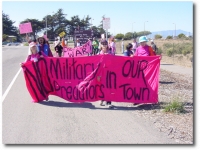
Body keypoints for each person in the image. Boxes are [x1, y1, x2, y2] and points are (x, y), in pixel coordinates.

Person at [98, 39, 114, 108]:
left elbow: (115, 61)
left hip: (109, 72)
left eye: (105, 43)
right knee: (102, 87)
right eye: (103, 44)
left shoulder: (111, 52)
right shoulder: (99, 53)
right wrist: (98, 74)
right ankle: (102, 98)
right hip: (102, 73)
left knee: (109, 87)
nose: (104, 45)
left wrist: (109, 56)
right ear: (101, 45)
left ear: (107, 45)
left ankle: (108, 102)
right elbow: (97, 64)